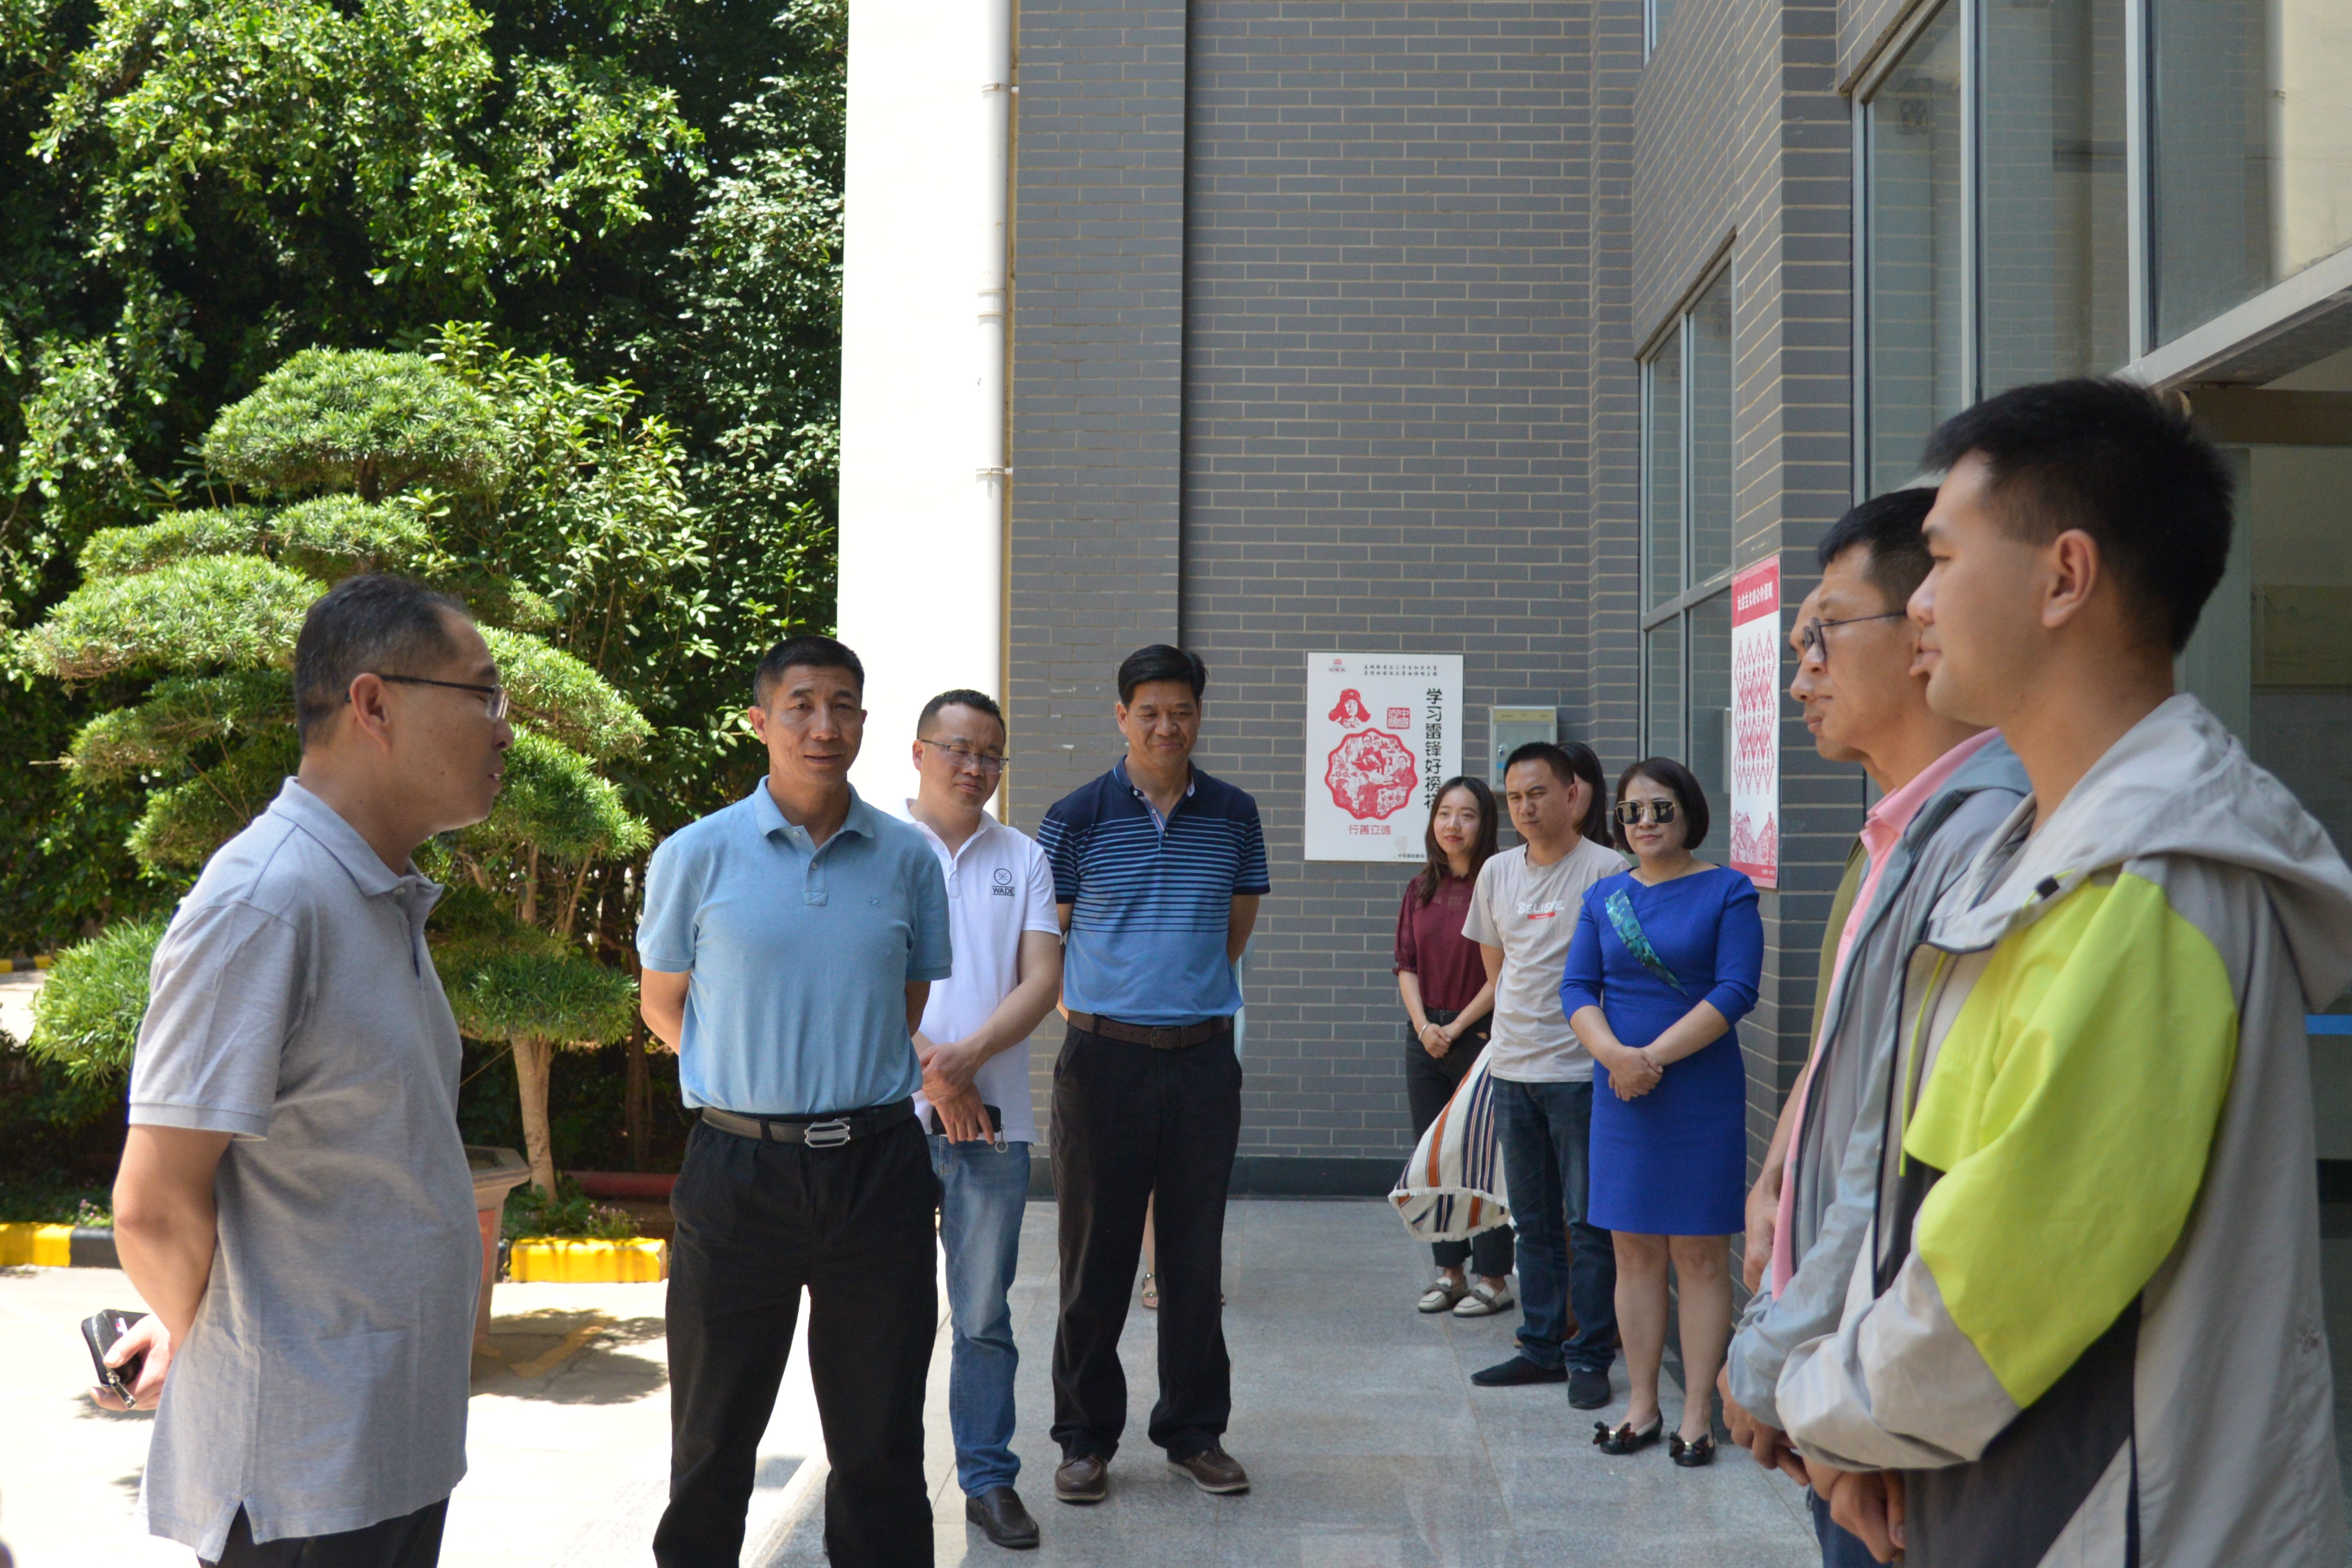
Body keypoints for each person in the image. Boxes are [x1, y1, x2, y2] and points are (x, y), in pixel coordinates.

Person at [1778, 379, 2352, 1565]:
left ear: (2064, 577)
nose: (1919, 601)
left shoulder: (2149, 886)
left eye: (1942, 558)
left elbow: (1992, 1292)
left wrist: (1820, 1411)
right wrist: (1856, 1422)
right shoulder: (2033, 853)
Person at [104, 574, 513, 1567]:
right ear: (375, 704)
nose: (505, 729)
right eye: (484, 694)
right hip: (301, 1479)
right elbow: (152, 1205)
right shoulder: (267, 901)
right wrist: (227, 1341)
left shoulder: (368, 892)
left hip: (388, 1449)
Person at [1713, 492, 2027, 1562]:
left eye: (1823, 634)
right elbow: (1844, 1066)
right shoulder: (1894, 833)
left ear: (1924, 631)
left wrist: (1779, 1359)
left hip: (1884, 1383)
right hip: (1844, 1358)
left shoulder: (1988, 842)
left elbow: (1901, 1157)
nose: (1801, 673)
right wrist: (1776, 1173)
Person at [637, 635, 951, 1568]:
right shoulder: (696, 854)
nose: (825, 725)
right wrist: (751, 1075)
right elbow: (664, 1004)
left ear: (864, 721)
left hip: (878, 1171)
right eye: (802, 704)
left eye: (843, 705)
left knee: (881, 1442)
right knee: (711, 1439)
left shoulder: (908, 858)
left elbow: (905, 1003)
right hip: (738, 1172)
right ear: (760, 721)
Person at [1039, 644, 1268, 1505]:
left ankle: (1194, 1432)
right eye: (1150, 712)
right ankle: (1084, 1438)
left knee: (1194, 1256)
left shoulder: (1235, 813)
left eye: (1181, 711)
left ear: (1198, 715)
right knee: (1094, 1258)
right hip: (1102, 1060)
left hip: (1204, 1058)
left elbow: (1234, 929)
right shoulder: (1075, 816)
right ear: (1122, 715)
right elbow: (1048, 940)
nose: (1166, 726)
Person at [898, 689, 1064, 1551]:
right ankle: (885, 1478)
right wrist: (936, 1067)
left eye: (990, 753)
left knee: (983, 1314)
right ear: (919, 751)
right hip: (887, 1120)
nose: (975, 766)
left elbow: (1042, 979)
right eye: (958, 748)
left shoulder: (1024, 856)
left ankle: (989, 1479)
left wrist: (966, 1061)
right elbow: (861, 975)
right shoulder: (880, 846)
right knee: (883, 1312)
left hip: (996, 1125)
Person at [1560, 758, 1760, 1463]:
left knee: (1700, 1253)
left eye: (1660, 808)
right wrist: (1616, 1056)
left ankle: (1698, 1413)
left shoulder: (1729, 889)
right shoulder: (1604, 895)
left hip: (1698, 1092)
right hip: (1623, 1096)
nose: (1645, 821)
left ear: (1689, 812)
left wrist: (1650, 1058)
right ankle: (1642, 1405)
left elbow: (1736, 989)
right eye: (1632, 811)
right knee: (1633, 1249)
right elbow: (1577, 987)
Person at [1461, 740, 1626, 1405]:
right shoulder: (1496, 871)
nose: (1525, 807)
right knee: (1531, 1221)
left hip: (1581, 1072)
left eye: (1538, 793)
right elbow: (1498, 971)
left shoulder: (1608, 868)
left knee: (1587, 1223)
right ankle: (1540, 1346)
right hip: (1513, 1069)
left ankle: (1589, 1355)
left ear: (1571, 794)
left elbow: (1621, 973)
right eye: (1515, 797)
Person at [1394, 774, 1514, 1316]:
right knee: (1434, 1155)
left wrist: (1457, 1027)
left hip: (1479, 1035)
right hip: (1426, 1038)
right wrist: (1424, 1027)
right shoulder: (1420, 888)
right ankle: (1450, 1272)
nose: (1453, 824)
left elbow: (1501, 972)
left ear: (1484, 824)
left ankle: (1494, 1277)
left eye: (1467, 814)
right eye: (1445, 813)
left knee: (1482, 1156)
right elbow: (1406, 965)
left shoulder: (1498, 882)